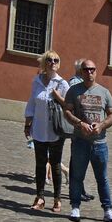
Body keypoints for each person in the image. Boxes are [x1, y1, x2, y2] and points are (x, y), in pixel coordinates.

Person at [60, 59, 112, 222]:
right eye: (86, 70)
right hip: (80, 142)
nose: (89, 72)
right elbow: (67, 111)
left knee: (103, 178)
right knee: (77, 176)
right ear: (81, 72)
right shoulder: (74, 90)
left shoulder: (104, 92)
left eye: (92, 69)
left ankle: (108, 210)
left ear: (96, 71)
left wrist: (101, 125)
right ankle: (75, 207)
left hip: (100, 143)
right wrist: (80, 123)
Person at [23, 50, 70, 212]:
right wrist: (27, 124)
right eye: (50, 60)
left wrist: (58, 97)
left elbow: (69, 107)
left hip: (56, 131)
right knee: (40, 165)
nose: (53, 63)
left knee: (56, 165)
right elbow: (32, 103)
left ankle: (57, 199)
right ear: (44, 62)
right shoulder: (37, 81)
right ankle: (40, 197)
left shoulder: (62, 84)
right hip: (39, 129)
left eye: (56, 60)